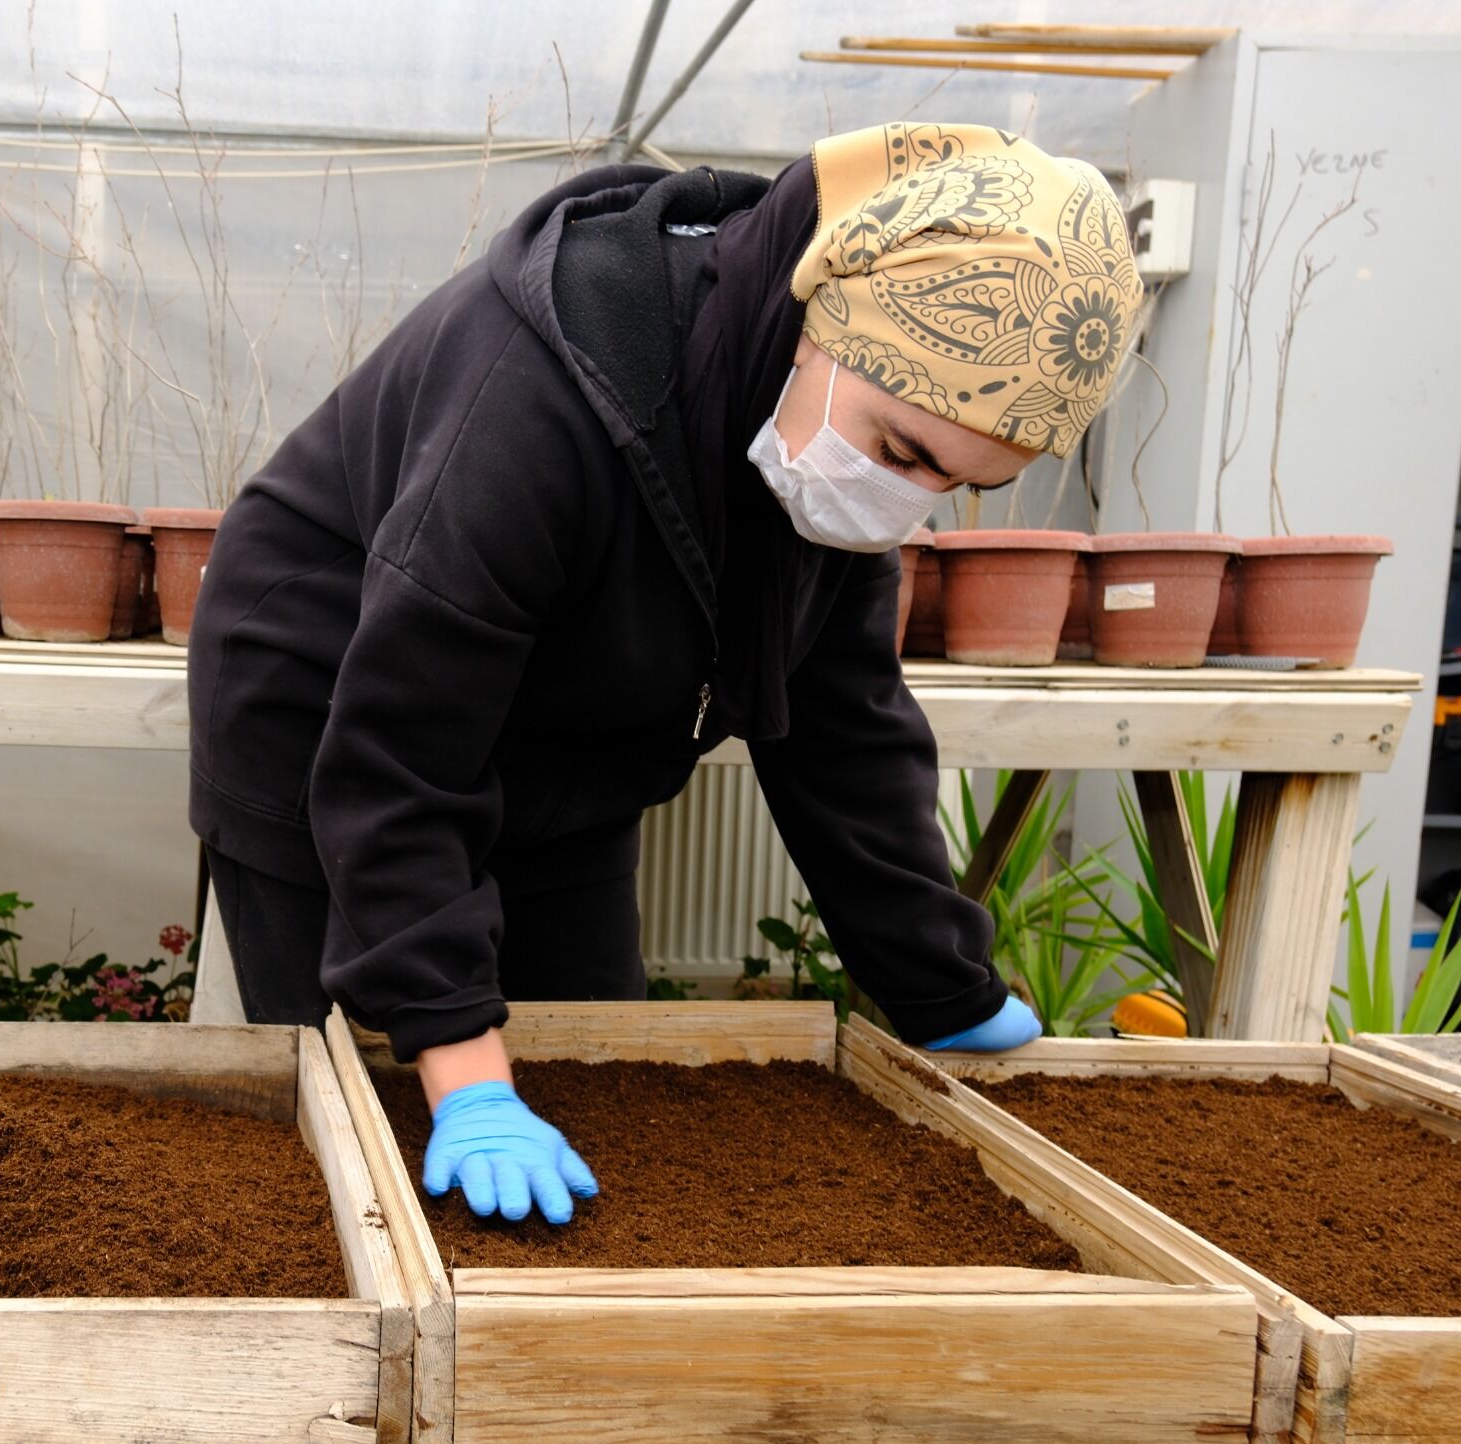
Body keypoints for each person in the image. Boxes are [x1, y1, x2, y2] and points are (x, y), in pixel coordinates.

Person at [186, 123, 1144, 1226]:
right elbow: (400, 755)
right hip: (331, 698)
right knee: (354, 1132)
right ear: (816, 317)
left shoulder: (808, 449)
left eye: (957, 486)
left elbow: (845, 730)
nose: (906, 501)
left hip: (566, 743)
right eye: (901, 451)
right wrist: (467, 1074)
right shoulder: (544, 390)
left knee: (605, 1079)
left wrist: (945, 985)